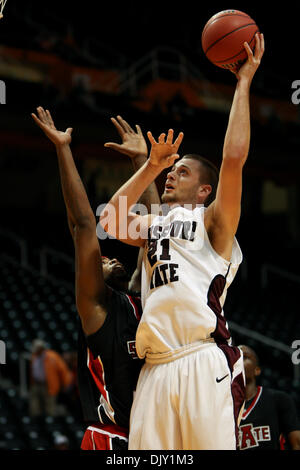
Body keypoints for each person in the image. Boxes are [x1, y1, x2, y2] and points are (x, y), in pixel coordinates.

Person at [100, 33, 265, 450]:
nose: (172, 174)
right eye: (173, 170)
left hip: (201, 359)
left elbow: (233, 159)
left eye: (183, 172)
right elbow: (110, 221)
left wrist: (243, 82)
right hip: (154, 368)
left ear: (205, 191)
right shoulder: (156, 222)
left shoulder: (214, 223)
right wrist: (149, 166)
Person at [31, 109, 160, 450]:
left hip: (158, 437)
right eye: (100, 261)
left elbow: (159, 232)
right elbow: (85, 226)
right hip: (113, 437)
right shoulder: (96, 309)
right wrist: (63, 149)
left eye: (109, 256)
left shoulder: (144, 297)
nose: (108, 257)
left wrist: (145, 163)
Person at [238, 344, 300, 450]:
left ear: (257, 370)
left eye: (245, 357)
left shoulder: (279, 399)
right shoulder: (224, 408)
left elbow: (297, 444)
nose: (238, 361)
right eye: (235, 358)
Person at [29, 338, 73, 417]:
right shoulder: (34, 356)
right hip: (36, 384)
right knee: (35, 408)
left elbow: (63, 370)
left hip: (49, 385)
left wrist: (66, 384)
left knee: (50, 409)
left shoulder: (52, 356)